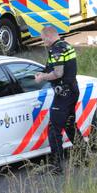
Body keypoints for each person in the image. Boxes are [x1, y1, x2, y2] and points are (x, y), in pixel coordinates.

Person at [34, 26, 78, 173]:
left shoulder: (56, 50)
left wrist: (42, 77)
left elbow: (58, 73)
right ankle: (83, 157)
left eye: (43, 38)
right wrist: (43, 72)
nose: (43, 41)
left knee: (54, 129)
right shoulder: (66, 45)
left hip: (63, 94)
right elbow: (55, 68)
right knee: (69, 124)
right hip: (72, 90)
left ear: (48, 36)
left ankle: (56, 166)